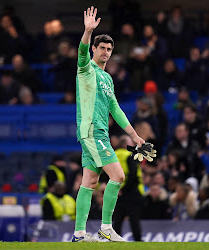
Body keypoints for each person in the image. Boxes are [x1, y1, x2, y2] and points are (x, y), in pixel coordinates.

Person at [72, 6, 148, 243]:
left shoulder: (107, 78)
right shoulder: (86, 70)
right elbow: (82, 51)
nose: (105, 51)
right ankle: (106, 228)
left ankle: (79, 235)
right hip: (92, 131)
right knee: (118, 176)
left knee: (90, 182)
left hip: (97, 132)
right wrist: (87, 31)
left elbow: (115, 108)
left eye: (108, 49)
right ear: (94, 49)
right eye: (101, 47)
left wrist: (135, 136)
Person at [112, 136, 145, 242]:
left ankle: (115, 242)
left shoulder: (113, 156)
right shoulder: (130, 156)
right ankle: (138, 241)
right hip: (131, 192)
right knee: (134, 220)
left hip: (117, 191)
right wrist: (125, 189)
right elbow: (133, 175)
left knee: (117, 220)